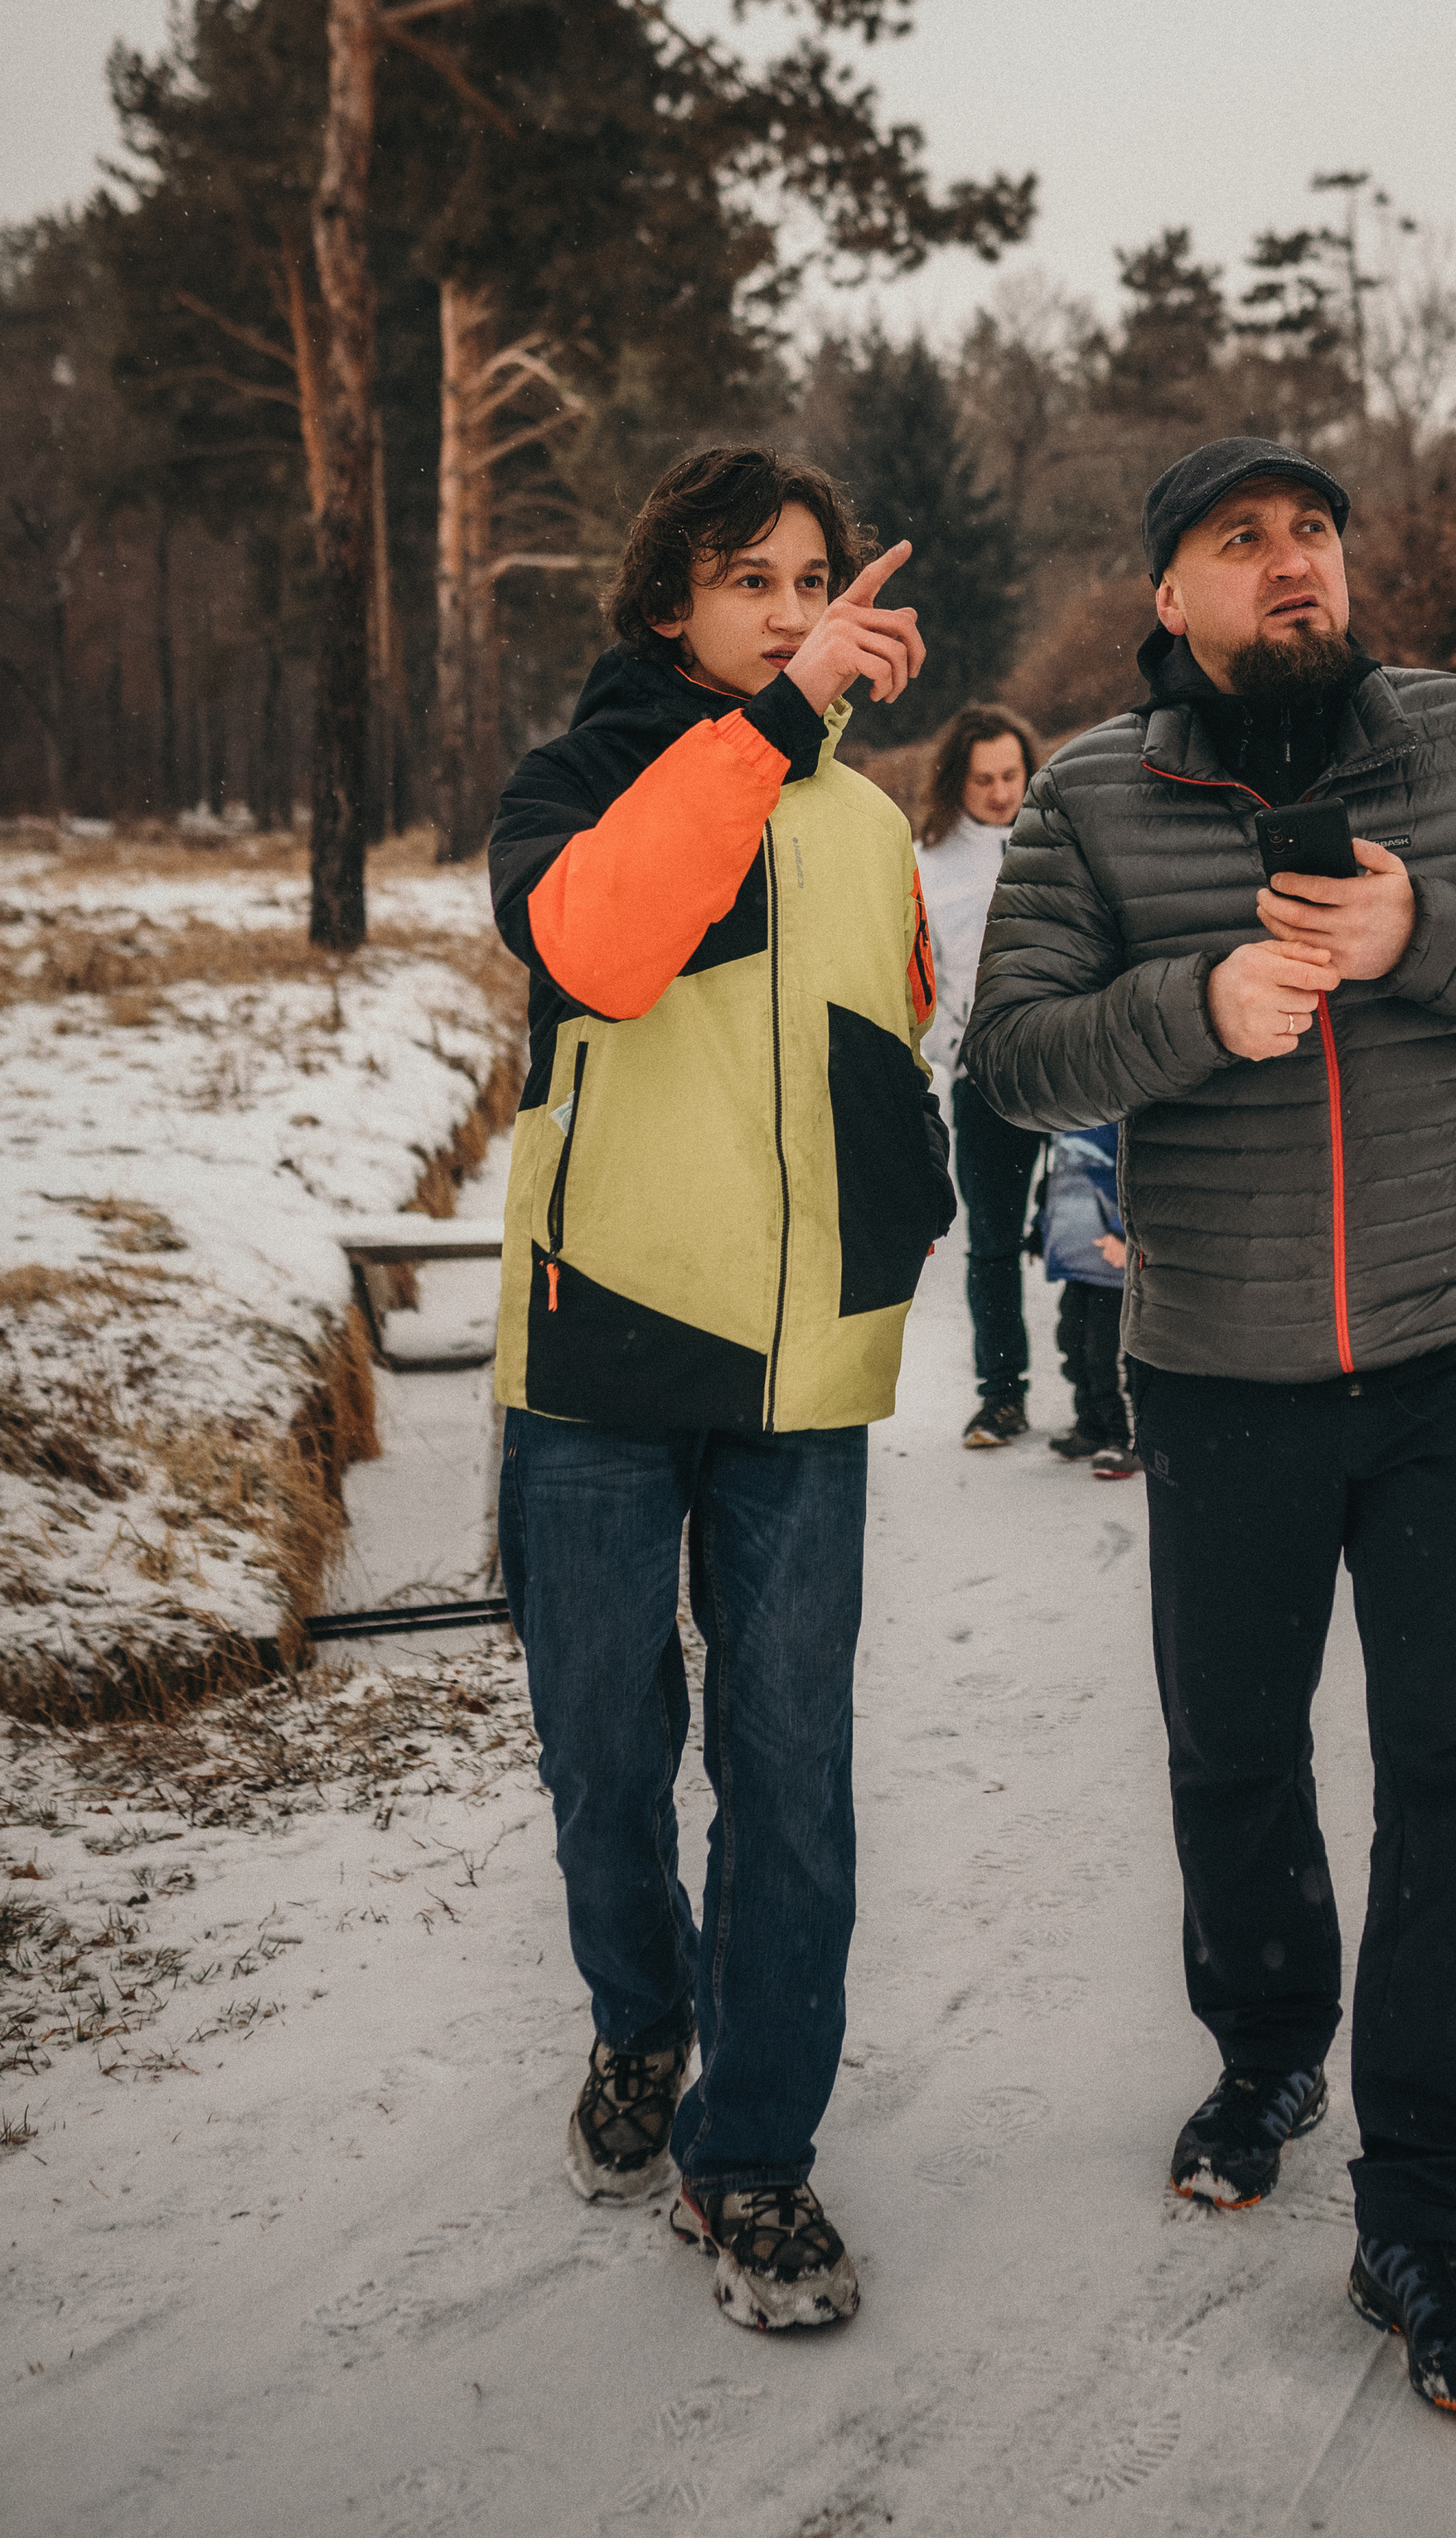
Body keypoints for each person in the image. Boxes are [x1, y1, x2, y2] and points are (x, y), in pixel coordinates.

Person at [964, 436, 1456, 2424]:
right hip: (1217, 1371)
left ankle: (1427, 2210)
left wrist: (1413, 937)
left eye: (1313, 534)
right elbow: (1012, 1057)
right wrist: (1197, 1003)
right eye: (1238, 540)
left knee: (1455, 1768)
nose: (1292, 564)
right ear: (1165, 594)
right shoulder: (1096, 796)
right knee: (1230, 1742)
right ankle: (1267, 2037)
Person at [487, 445, 955, 2337]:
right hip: (600, 1351)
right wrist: (769, 724)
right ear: (664, 601)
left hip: (799, 1374)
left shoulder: (860, 821)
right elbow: (603, 949)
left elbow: (893, 1022)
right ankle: (641, 2018)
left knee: (789, 1778)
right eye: (751, 577)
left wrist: (901, 1219)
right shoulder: (575, 782)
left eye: (814, 575)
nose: (792, 606)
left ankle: (752, 2147)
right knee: (607, 1748)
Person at [915, 704, 1045, 1449]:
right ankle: (1001, 1396)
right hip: (985, 1077)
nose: (1001, 793)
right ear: (955, 782)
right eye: (983, 779)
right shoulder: (926, 865)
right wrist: (950, 1048)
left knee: (1101, 1238)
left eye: (1011, 775)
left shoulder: (1059, 839)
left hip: (1074, 1065)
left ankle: (1107, 1401)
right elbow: (914, 980)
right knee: (993, 1241)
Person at [1037, 1121, 1138, 1474]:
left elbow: (1136, 1178)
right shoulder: (1064, 1119)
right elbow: (1057, 1181)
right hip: (1075, 1258)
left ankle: (1124, 1439)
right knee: (1073, 1345)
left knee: (1106, 1353)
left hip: (1111, 1267)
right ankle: (1091, 1427)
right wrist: (1041, 1229)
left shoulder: (1118, 1118)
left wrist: (1122, 1232)